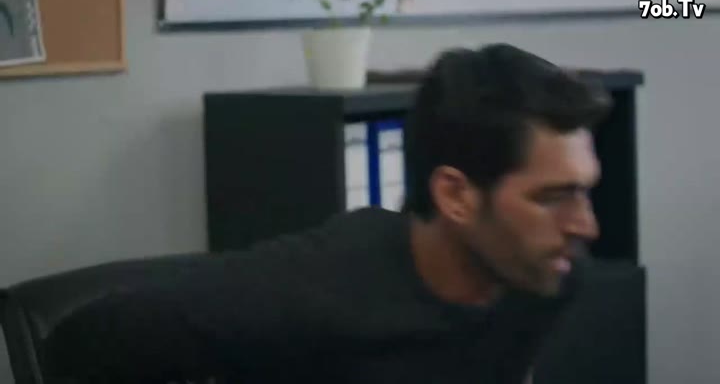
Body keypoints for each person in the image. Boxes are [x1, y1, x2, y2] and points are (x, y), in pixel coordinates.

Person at [43, 43, 611, 383]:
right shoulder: (316, 286)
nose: (584, 225)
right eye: (551, 197)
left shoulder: (544, 275)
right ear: (456, 196)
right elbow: (77, 344)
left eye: (584, 192)